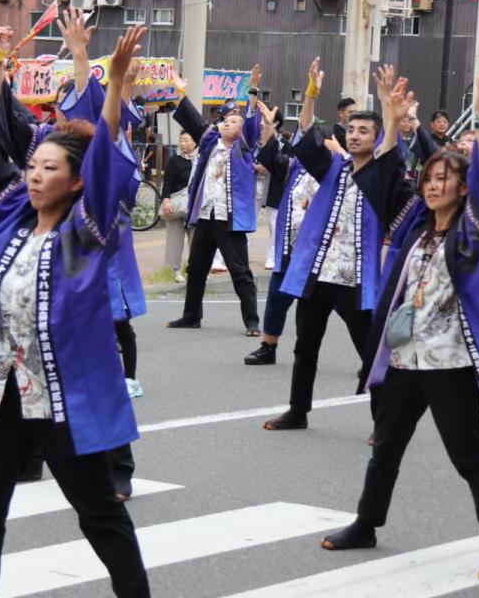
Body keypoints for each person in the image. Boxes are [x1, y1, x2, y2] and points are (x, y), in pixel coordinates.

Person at [0, 17, 151, 598]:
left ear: (76, 181)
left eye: (51, 169)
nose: (35, 175)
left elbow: (105, 161)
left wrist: (114, 86)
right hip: (4, 386)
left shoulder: (88, 229)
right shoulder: (8, 218)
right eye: (35, 165)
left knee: (97, 509)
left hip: (60, 394)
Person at [321, 70, 479, 584]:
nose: (434, 187)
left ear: (462, 188)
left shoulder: (473, 234)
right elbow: (384, 177)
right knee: (385, 447)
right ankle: (366, 523)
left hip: (450, 364)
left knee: (469, 457)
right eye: (429, 179)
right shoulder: (415, 227)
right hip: (404, 360)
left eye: (444, 180)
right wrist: (392, 118)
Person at [263, 61, 409, 431]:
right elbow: (308, 132)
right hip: (318, 274)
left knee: (369, 352)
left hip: (356, 280)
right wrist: (311, 92)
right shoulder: (333, 167)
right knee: (304, 347)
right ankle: (298, 411)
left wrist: (390, 114)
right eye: (351, 129)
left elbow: (392, 155)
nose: (356, 135)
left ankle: (384, 423)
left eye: (365, 131)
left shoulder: (381, 176)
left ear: (376, 139)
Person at [166, 67, 262, 335]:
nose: (227, 123)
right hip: (206, 215)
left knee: (239, 271)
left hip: (229, 218)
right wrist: (180, 92)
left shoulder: (244, 148)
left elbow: (253, 123)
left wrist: (252, 88)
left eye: (233, 121)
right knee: (196, 268)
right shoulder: (210, 142)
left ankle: (252, 321)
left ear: (242, 130)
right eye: (225, 120)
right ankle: (191, 315)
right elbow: (195, 120)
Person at [244, 102, 319, 366]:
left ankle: (371, 354)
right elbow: (270, 156)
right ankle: (268, 346)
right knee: (277, 299)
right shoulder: (295, 167)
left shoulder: (334, 171)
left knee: (344, 307)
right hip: (290, 248)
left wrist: (309, 98)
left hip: (320, 254)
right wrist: (267, 124)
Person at [161, 130, 197, 282]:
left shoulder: (201, 160)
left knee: (196, 240)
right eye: (181, 140)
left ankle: (195, 270)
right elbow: (167, 181)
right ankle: (176, 271)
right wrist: (166, 200)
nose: (183, 143)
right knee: (174, 239)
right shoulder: (174, 160)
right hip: (176, 204)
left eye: (187, 140)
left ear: (195, 142)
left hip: (195, 205)